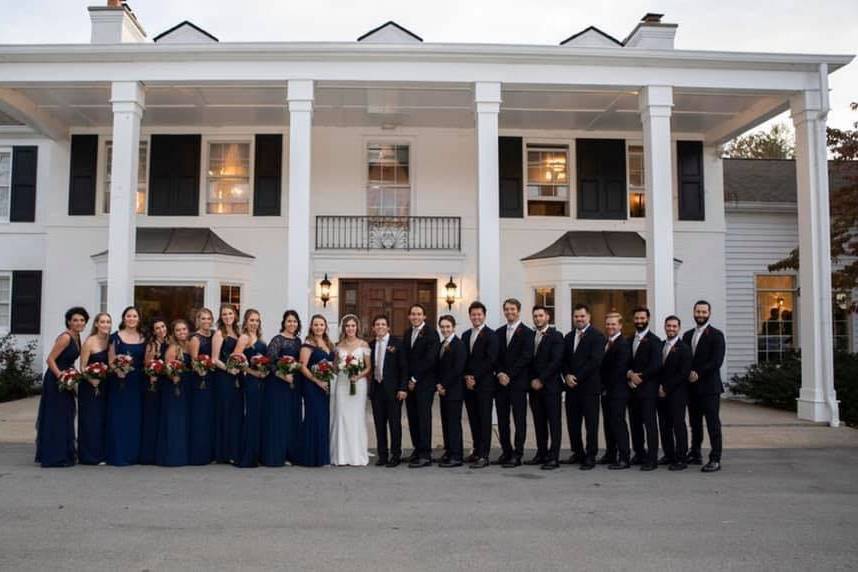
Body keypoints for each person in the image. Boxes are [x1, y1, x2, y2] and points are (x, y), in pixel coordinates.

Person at [35, 306, 88, 468]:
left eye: (82, 320)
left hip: (67, 380)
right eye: (75, 320)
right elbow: (50, 360)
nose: (79, 323)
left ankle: (64, 453)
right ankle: (54, 456)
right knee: (56, 416)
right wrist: (62, 377)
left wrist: (73, 377)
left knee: (66, 414)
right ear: (69, 322)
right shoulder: (65, 337)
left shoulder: (77, 337)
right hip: (56, 380)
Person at [682, 300, 726, 473]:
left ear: (709, 313)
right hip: (691, 388)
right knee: (694, 423)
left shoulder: (716, 335)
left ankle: (715, 458)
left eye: (703, 312)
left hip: (709, 388)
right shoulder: (687, 335)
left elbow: (716, 361)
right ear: (693, 312)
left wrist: (698, 372)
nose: (700, 315)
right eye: (698, 312)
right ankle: (695, 453)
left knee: (713, 423)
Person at [561, 304, 606, 470]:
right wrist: (566, 375)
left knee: (591, 424)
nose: (579, 319)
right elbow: (563, 360)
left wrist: (577, 377)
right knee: (573, 423)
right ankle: (577, 452)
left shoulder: (598, 336)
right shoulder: (568, 336)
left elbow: (595, 362)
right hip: (571, 388)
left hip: (589, 388)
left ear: (589, 317)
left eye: (582, 316)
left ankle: (590, 455)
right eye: (576, 316)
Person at [493, 298, 533, 468]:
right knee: (502, 420)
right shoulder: (498, 332)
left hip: (518, 384)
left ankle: (518, 453)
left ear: (519, 310)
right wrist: (500, 373)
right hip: (501, 384)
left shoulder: (528, 333)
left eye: (513, 309)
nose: (509, 312)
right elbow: (494, 356)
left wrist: (509, 374)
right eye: (507, 309)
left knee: (519, 420)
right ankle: (506, 451)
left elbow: (526, 357)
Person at [106, 306, 146, 466]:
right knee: (118, 417)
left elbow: (146, 361)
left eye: (134, 316)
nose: (131, 319)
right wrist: (118, 370)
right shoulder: (115, 338)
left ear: (138, 319)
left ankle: (133, 454)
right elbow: (110, 361)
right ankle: (118, 453)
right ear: (124, 318)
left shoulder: (144, 337)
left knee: (134, 417)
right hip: (119, 381)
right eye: (128, 316)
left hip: (137, 382)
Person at [262, 310, 303, 467]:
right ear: (284, 323)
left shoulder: (298, 342)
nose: (292, 324)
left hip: (294, 385)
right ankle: (277, 454)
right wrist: (282, 375)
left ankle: (291, 453)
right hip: (278, 384)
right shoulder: (277, 340)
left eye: (294, 321)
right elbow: (270, 362)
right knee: (279, 418)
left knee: (292, 417)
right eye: (289, 321)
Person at [526, 305, 564, 470]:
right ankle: (541, 453)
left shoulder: (556, 336)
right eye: (535, 316)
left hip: (551, 387)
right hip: (534, 388)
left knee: (554, 423)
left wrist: (541, 379)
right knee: (539, 422)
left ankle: (553, 457)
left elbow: (556, 361)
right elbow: (528, 360)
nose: (538, 318)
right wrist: (532, 380)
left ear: (547, 317)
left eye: (541, 315)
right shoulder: (531, 335)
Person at [462, 301, 499, 469]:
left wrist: (474, 377)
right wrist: (467, 377)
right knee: (473, 419)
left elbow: (490, 361)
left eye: (479, 314)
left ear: (484, 316)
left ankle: (484, 455)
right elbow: (463, 359)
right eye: (473, 314)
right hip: (469, 385)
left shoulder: (491, 335)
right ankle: (476, 450)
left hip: (484, 385)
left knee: (484, 420)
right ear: (469, 316)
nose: (476, 317)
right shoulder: (465, 335)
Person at [330, 314, 371, 467]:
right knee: (341, 416)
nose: (350, 328)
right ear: (344, 328)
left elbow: (368, 367)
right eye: (347, 326)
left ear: (357, 327)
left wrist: (357, 375)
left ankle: (356, 455)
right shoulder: (338, 346)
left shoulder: (364, 345)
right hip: (342, 383)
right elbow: (334, 367)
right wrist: (337, 368)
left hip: (358, 384)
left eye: (353, 326)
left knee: (356, 417)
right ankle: (341, 455)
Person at [403, 303, 440, 468]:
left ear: (424, 316)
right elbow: (405, 358)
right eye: (413, 314)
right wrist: (407, 380)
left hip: (424, 383)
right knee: (412, 417)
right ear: (409, 316)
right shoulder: (407, 333)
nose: (415, 316)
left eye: (419, 314)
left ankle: (425, 454)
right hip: (410, 385)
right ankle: (417, 449)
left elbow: (430, 359)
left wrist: (414, 378)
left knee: (424, 418)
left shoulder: (431, 333)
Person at [626, 307, 663, 471]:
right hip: (631, 389)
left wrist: (639, 377)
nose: (639, 321)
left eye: (642, 318)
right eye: (637, 318)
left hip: (648, 389)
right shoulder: (629, 340)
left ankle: (652, 458)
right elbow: (625, 362)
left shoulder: (655, 340)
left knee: (650, 424)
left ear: (648, 319)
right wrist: (629, 374)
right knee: (634, 423)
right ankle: (639, 453)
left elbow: (656, 365)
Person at [368, 314, 408, 468]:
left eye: (383, 324)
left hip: (393, 391)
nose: (380, 327)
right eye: (377, 324)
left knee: (394, 424)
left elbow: (404, 367)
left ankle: (396, 455)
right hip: (377, 390)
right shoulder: (371, 345)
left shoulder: (397, 344)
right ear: (373, 328)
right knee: (379, 424)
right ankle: (382, 455)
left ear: (388, 327)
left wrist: (403, 388)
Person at [297, 315, 335, 467]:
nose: (319, 327)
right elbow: (302, 366)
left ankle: (322, 456)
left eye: (321, 324)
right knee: (314, 418)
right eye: (316, 325)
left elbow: (332, 363)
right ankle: (310, 457)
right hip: (312, 386)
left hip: (326, 385)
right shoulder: (308, 345)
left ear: (325, 326)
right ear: (311, 327)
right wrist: (317, 380)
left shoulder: (328, 343)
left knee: (324, 419)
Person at [658, 315, 692, 471]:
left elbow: (683, 373)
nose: (671, 329)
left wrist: (666, 388)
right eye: (668, 326)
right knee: (664, 425)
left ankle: (681, 458)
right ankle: (669, 454)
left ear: (679, 328)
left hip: (677, 393)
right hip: (660, 393)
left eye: (674, 326)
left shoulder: (684, 348)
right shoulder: (660, 345)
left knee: (678, 425)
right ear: (665, 327)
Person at [156, 319, 192, 467]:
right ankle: (172, 456)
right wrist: (174, 376)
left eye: (184, 329)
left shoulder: (189, 345)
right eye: (178, 330)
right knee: (174, 421)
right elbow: (168, 369)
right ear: (174, 333)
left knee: (183, 421)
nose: (182, 332)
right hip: (174, 387)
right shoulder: (173, 348)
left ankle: (183, 454)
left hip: (187, 386)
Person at [235, 309, 268, 468]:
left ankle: (258, 453)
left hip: (262, 381)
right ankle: (248, 455)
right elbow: (236, 361)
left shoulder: (259, 338)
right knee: (252, 417)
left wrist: (264, 368)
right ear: (246, 322)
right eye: (251, 320)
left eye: (257, 320)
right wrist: (253, 372)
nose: (254, 323)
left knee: (260, 417)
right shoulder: (244, 338)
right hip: (250, 382)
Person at [78, 312, 111, 466]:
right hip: (90, 386)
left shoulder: (110, 341)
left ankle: (102, 453)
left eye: (108, 322)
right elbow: (82, 367)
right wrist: (92, 380)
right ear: (96, 324)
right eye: (102, 322)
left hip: (105, 385)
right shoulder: (89, 342)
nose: (105, 324)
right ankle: (89, 456)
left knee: (103, 419)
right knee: (91, 420)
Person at [601, 312, 632, 470]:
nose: (610, 327)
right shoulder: (607, 342)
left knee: (618, 423)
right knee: (608, 423)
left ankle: (624, 457)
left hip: (618, 391)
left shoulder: (623, 344)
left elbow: (619, 369)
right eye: (608, 324)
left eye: (613, 324)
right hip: (607, 392)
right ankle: (610, 453)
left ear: (620, 325)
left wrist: (606, 387)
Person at [211, 304, 241, 464]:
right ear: (221, 317)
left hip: (237, 378)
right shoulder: (219, 334)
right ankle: (223, 452)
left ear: (235, 315)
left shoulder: (238, 333)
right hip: (224, 377)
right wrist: (229, 369)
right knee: (225, 412)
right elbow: (214, 359)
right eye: (224, 314)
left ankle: (233, 450)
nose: (228, 316)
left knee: (235, 413)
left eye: (230, 313)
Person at [436, 314, 466, 468]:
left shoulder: (458, 345)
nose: (445, 329)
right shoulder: (442, 344)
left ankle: (456, 456)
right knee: (446, 422)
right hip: (444, 391)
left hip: (454, 391)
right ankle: (448, 451)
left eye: (448, 326)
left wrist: (444, 385)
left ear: (453, 327)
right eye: (442, 327)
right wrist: (439, 385)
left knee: (454, 423)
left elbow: (457, 369)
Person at [188, 308, 216, 466]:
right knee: (201, 416)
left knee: (210, 416)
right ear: (198, 320)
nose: (206, 321)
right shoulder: (195, 338)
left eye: (209, 318)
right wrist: (202, 371)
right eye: (203, 319)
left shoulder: (213, 335)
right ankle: (199, 454)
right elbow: (194, 361)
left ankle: (211, 452)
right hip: (200, 380)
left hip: (213, 379)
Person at [140, 318, 167, 465]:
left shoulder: (169, 342)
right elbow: (147, 366)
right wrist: (153, 375)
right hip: (154, 385)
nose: (161, 330)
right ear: (153, 331)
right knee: (152, 417)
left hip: (166, 383)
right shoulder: (152, 346)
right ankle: (149, 454)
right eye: (157, 328)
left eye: (163, 326)